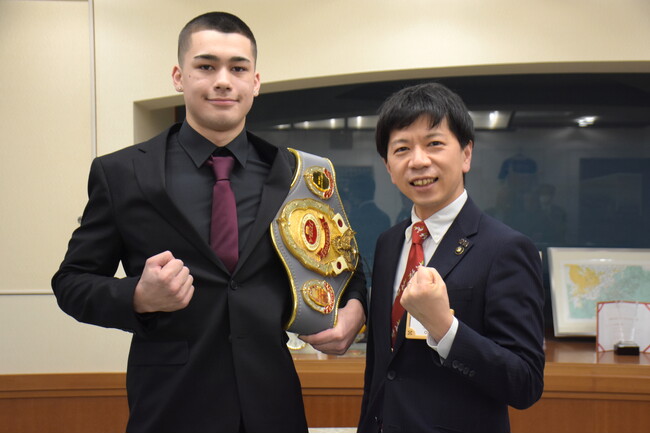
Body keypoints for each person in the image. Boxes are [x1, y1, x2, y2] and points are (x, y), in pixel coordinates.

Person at [52, 12, 366, 433]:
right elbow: (71, 282)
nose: (223, 81)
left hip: (273, 409)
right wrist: (138, 296)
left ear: (255, 82)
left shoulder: (298, 173)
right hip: (171, 408)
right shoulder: (123, 173)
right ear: (179, 77)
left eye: (238, 68)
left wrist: (355, 312)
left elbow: (346, 268)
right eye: (206, 66)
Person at [358, 83, 545, 432]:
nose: (418, 161)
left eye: (434, 144)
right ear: (388, 166)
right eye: (402, 149)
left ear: (466, 154)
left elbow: (525, 382)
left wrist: (445, 328)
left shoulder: (506, 248)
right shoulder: (389, 243)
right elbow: (381, 368)